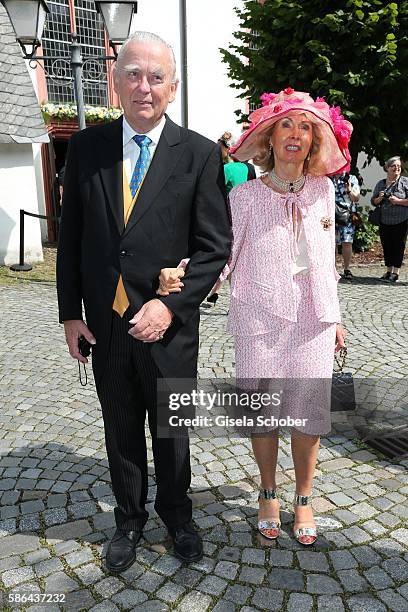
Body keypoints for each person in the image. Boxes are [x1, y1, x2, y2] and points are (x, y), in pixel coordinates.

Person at [56, 31, 230, 572]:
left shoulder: (200, 154)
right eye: (133, 73)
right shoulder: (86, 149)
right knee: (121, 426)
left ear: (172, 87)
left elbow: (213, 247)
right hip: (106, 325)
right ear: (115, 82)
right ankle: (128, 520)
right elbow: (73, 236)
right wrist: (69, 314)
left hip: (169, 329)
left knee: (172, 430)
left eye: (156, 77)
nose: (144, 86)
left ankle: (177, 515)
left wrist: (170, 307)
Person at [158, 88, 350, 546]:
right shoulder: (243, 196)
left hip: (314, 319)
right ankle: (268, 493)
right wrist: (184, 276)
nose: (296, 135)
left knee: (308, 415)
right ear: (268, 137)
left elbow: (325, 261)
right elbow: (223, 255)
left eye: (306, 127)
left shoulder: (325, 191)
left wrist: (336, 317)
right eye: (287, 125)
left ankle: (303, 497)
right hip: (259, 318)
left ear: (314, 141)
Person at [371, 156, 408, 282]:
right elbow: (374, 201)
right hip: (384, 220)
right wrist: (380, 198)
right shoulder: (381, 184)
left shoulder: (405, 182)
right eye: (394, 166)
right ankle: (388, 271)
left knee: (398, 246)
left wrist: (398, 201)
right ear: (387, 168)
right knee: (387, 245)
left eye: (398, 166)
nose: (397, 168)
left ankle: (395, 273)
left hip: (401, 219)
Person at [331, 171, 360, 279]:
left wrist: (349, 189)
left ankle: (347, 269)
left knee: (347, 242)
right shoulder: (329, 178)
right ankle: (332, 268)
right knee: (331, 242)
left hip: (346, 215)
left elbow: (356, 198)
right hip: (330, 214)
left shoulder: (351, 178)